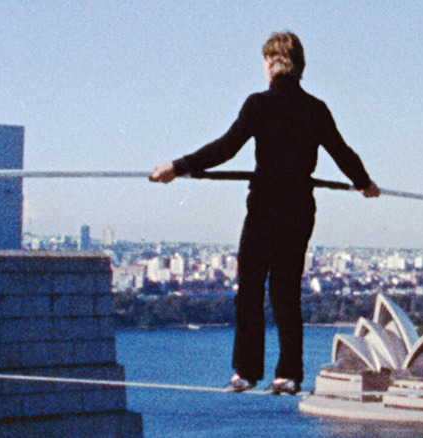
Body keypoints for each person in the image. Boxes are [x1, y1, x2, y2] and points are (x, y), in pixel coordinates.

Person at [150, 31, 379, 395]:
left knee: (251, 289)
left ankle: (245, 371)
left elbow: (224, 148)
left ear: (271, 64)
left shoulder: (258, 104)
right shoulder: (315, 108)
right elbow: (342, 153)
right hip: (298, 208)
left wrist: (177, 167)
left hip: (264, 207)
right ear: (299, 66)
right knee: (285, 292)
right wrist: (365, 183)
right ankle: (288, 375)